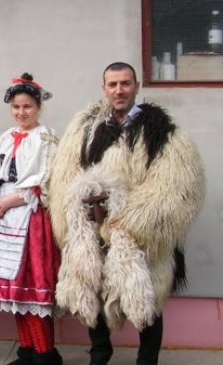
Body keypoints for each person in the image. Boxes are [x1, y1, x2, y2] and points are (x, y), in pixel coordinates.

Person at [47, 62, 205, 365]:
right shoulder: (85, 131)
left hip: (136, 234)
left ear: (136, 86)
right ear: (104, 88)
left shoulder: (161, 133)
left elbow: (173, 184)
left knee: (146, 298)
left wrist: (129, 218)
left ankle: (147, 361)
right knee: (93, 292)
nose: (119, 90)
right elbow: (67, 176)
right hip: (92, 232)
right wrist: (78, 214)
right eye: (113, 84)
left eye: (125, 83)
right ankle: (100, 355)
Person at [0, 73, 63, 365]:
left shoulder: (46, 138)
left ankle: (45, 354)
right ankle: (27, 350)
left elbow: (43, 185)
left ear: (38, 107)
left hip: (31, 220)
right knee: (14, 289)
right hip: (4, 218)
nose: (21, 112)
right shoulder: (5, 137)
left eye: (27, 106)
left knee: (32, 290)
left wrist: (4, 201)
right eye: (16, 107)